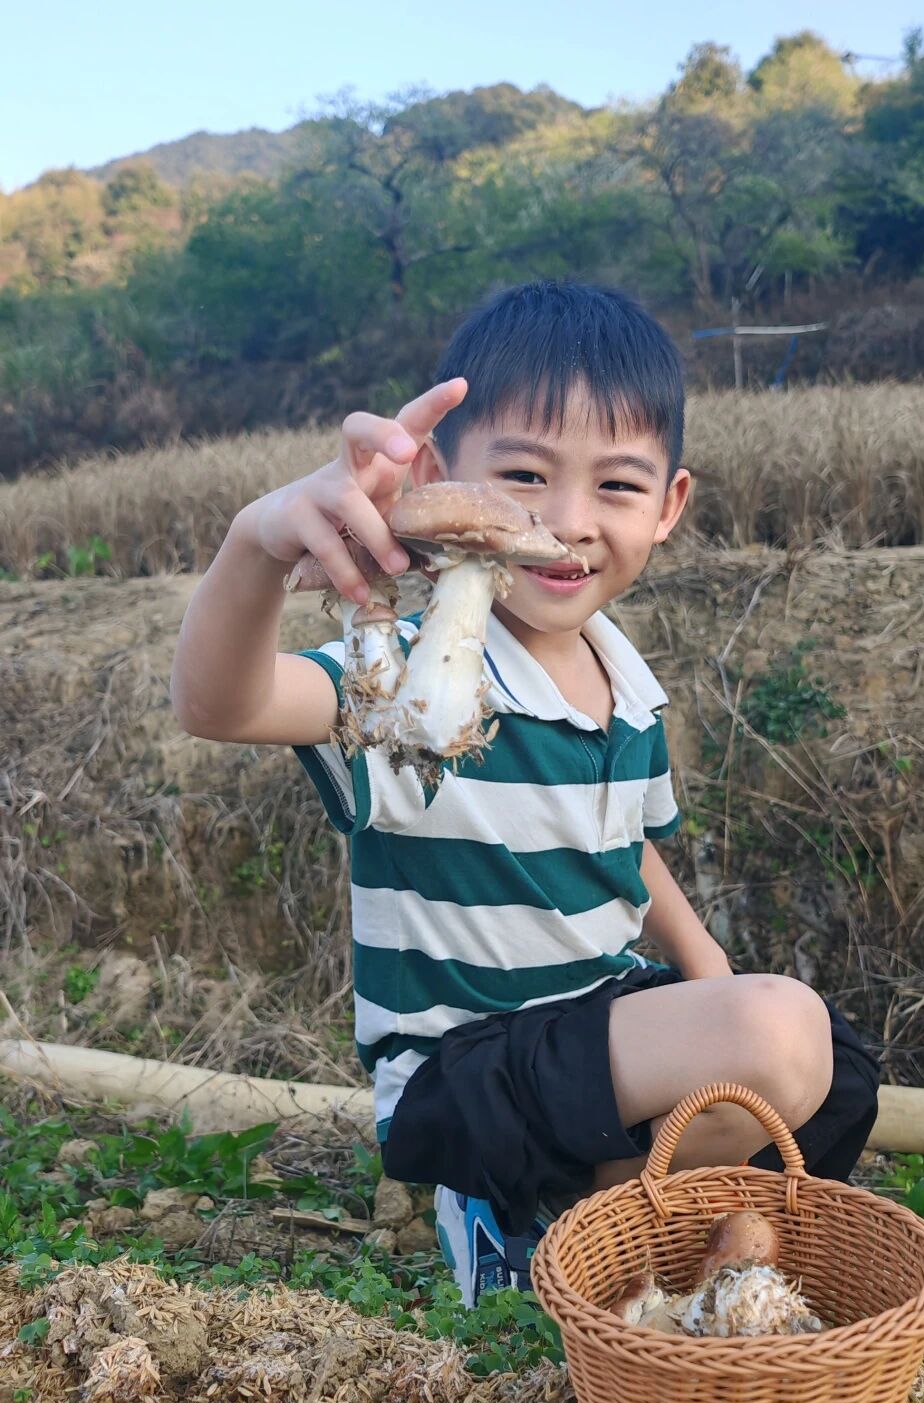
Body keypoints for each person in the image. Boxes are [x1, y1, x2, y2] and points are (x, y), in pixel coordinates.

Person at [171, 280, 880, 1307]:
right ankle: (516, 1219)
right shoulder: (417, 678)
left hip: (595, 1026)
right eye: (524, 475)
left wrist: (708, 970)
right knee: (774, 1036)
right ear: (440, 475)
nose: (569, 521)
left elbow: (625, 846)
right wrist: (258, 542)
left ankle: (607, 1228)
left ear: (669, 506)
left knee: (837, 1070)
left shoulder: (629, 690)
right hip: (463, 1075)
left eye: (618, 486)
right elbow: (219, 704)